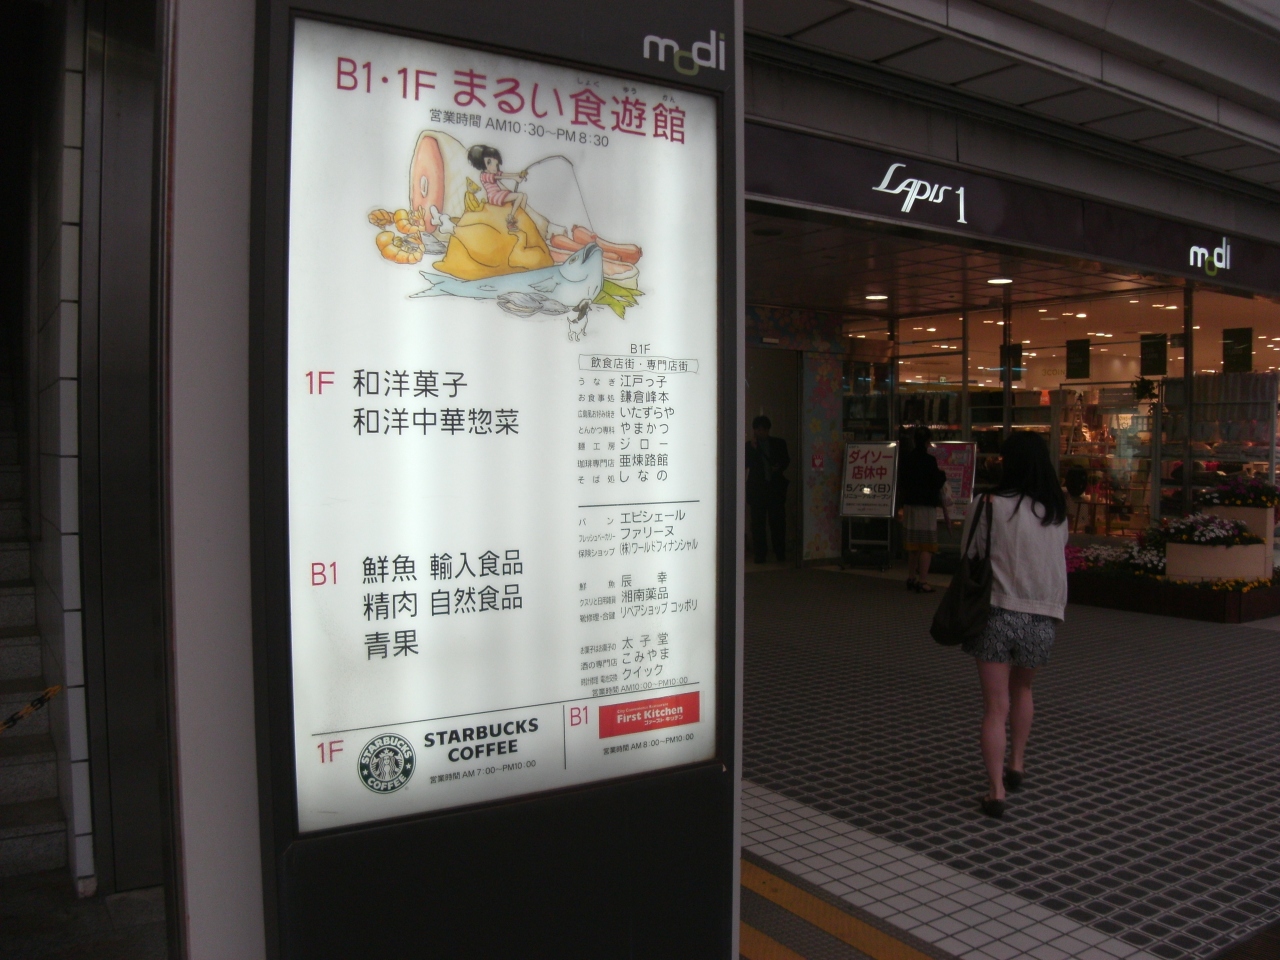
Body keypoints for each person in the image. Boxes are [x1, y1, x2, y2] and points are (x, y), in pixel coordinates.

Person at [959, 431, 1068, 818]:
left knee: (995, 707)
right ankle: (1017, 764)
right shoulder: (1054, 510)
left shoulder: (987, 504)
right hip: (1042, 617)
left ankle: (996, 791)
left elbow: (969, 553)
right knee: (1023, 690)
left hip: (996, 612)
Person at [897, 426, 947, 592]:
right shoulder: (929, 460)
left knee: (913, 545)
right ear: (927, 442)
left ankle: (911, 577)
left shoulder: (907, 459)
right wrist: (942, 475)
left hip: (910, 505)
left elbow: (903, 481)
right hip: (926, 507)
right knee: (926, 545)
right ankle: (923, 581)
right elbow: (936, 482)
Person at [746, 415, 789, 563]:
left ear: (768, 429)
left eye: (763, 429)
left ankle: (780, 553)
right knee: (757, 524)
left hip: (775, 489)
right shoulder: (749, 446)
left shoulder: (779, 443)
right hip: (757, 490)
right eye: (758, 429)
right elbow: (746, 463)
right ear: (754, 430)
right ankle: (760, 555)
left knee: (778, 523)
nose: (761, 432)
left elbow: (786, 460)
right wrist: (753, 449)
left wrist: (778, 466)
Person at [467, 144, 528, 231]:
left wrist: (518, 174)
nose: (494, 167)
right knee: (520, 195)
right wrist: (514, 177)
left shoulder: (493, 173)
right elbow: (498, 177)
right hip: (494, 196)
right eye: (489, 163)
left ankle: (521, 216)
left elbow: (503, 174)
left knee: (524, 196)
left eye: (496, 165)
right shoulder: (484, 175)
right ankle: (510, 219)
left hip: (499, 194)